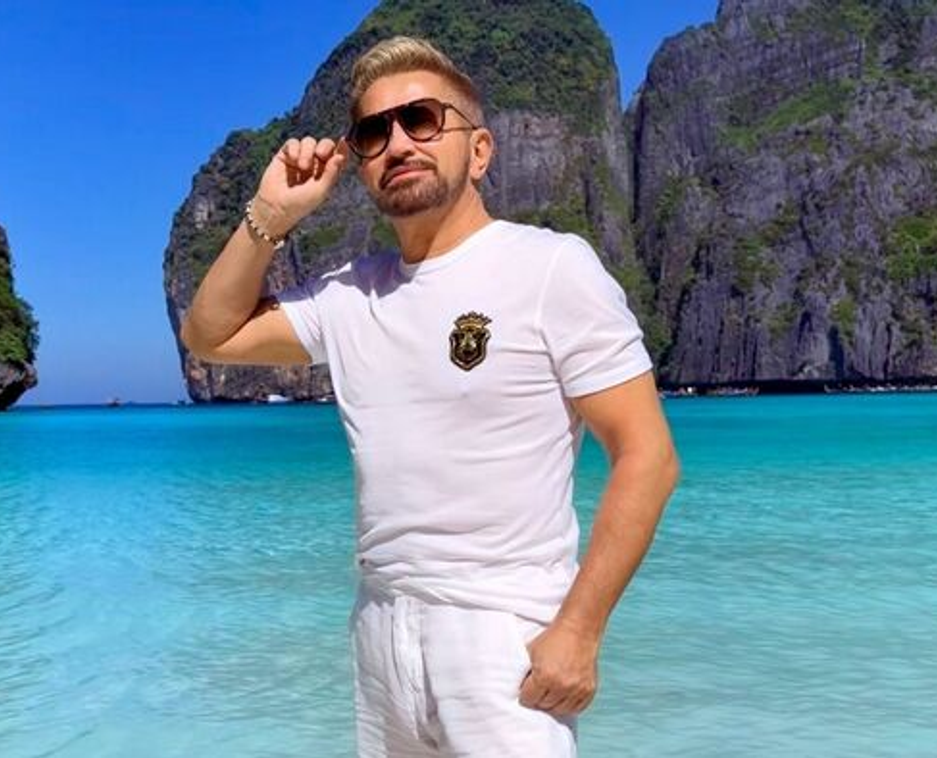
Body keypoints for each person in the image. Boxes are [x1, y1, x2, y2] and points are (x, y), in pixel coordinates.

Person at [179, 35, 680, 758]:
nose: (397, 143)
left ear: (478, 150)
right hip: (378, 628)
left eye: (421, 119)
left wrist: (579, 630)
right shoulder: (350, 294)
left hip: (502, 636)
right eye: (373, 132)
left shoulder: (550, 268)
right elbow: (211, 333)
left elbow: (646, 456)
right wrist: (269, 214)